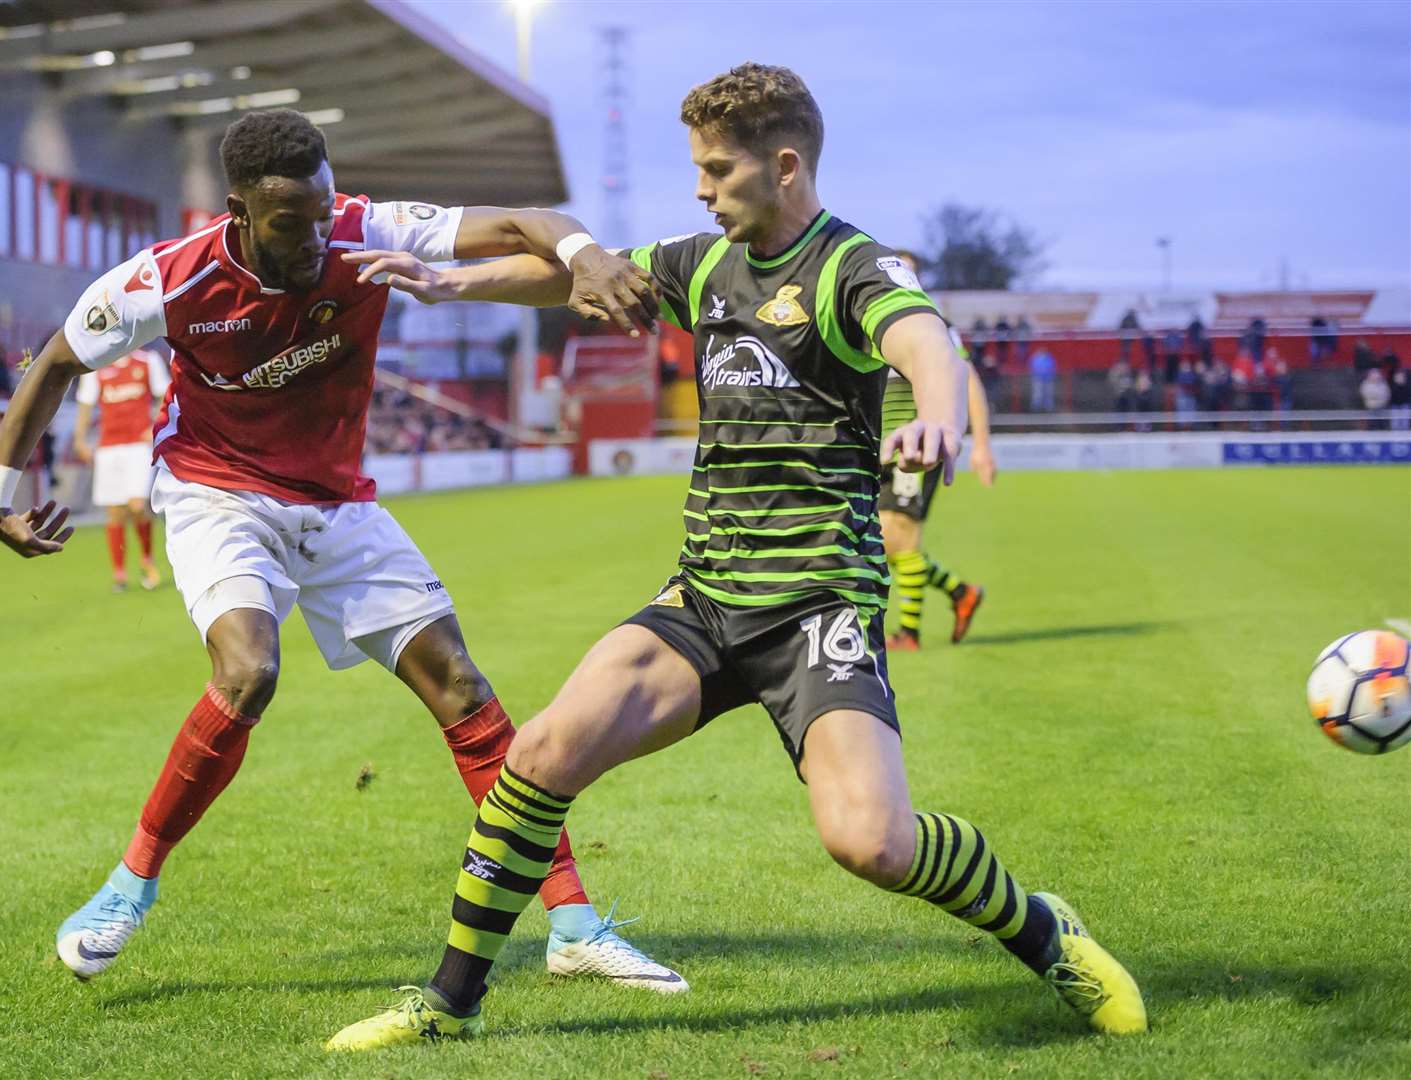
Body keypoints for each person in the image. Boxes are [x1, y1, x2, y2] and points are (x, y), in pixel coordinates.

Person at [326, 61, 1145, 1052]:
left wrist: (933, 421)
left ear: (784, 165)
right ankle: (448, 1006)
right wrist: (456, 280)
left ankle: (1041, 927)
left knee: (872, 843)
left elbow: (927, 342)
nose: (701, 190)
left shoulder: (853, 267)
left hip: (815, 608)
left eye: (716, 171)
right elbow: (576, 272)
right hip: (704, 597)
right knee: (537, 756)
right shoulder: (702, 261)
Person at [0, 108, 685, 993]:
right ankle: (130, 886)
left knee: (461, 685)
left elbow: (522, 225)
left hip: (337, 502)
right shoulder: (162, 281)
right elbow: (52, 362)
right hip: (216, 491)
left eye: (321, 211)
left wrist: (584, 256)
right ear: (238, 210)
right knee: (248, 672)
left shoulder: (362, 227)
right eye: (291, 222)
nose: (317, 235)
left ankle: (573, 923)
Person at [876, 251, 992, 652]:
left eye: (909, 269)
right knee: (890, 544)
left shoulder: (934, 325)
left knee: (897, 541)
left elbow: (967, 379)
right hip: (880, 451)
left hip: (916, 447)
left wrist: (981, 446)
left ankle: (909, 633)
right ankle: (961, 593)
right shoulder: (873, 322)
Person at [72, 347, 170, 592]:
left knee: (137, 505)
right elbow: (85, 404)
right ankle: (119, 574)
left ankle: (147, 560)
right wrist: (80, 438)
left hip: (138, 445)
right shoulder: (96, 367)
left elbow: (166, 394)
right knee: (115, 512)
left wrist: (156, 425)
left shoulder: (148, 361)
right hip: (109, 447)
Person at [1028, 343, 1057, 412]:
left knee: (1048, 393)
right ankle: (1036, 407)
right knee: (1038, 392)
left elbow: (1052, 367)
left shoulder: (1049, 358)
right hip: (1038, 378)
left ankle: (1048, 407)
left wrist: (1050, 374)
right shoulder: (1035, 358)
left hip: (1048, 378)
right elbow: (1033, 367)